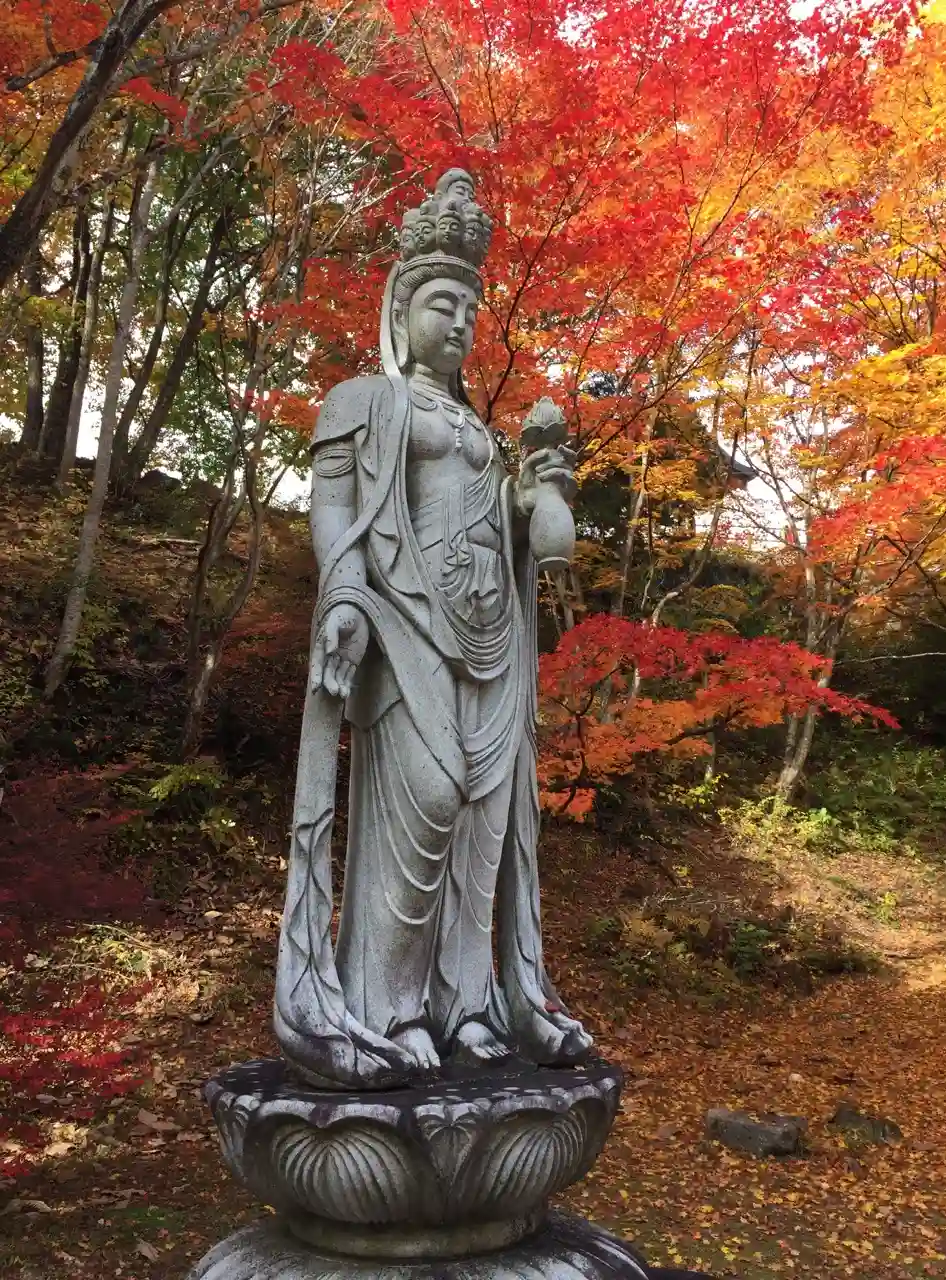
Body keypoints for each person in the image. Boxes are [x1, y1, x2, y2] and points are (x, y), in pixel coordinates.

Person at [274, 170, 591, 1089]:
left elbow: (516, 534)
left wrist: (530, 496)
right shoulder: (362, 402)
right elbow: (332, 511)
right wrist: (341, 595)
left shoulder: (482, 433)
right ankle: (387, 1007)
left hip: (490, 636)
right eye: (442, 304)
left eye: (469, 311)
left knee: (486, 823)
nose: (458, 325)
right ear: (401, 306)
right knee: (427, 803)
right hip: (405, 622)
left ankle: (471, 1009)